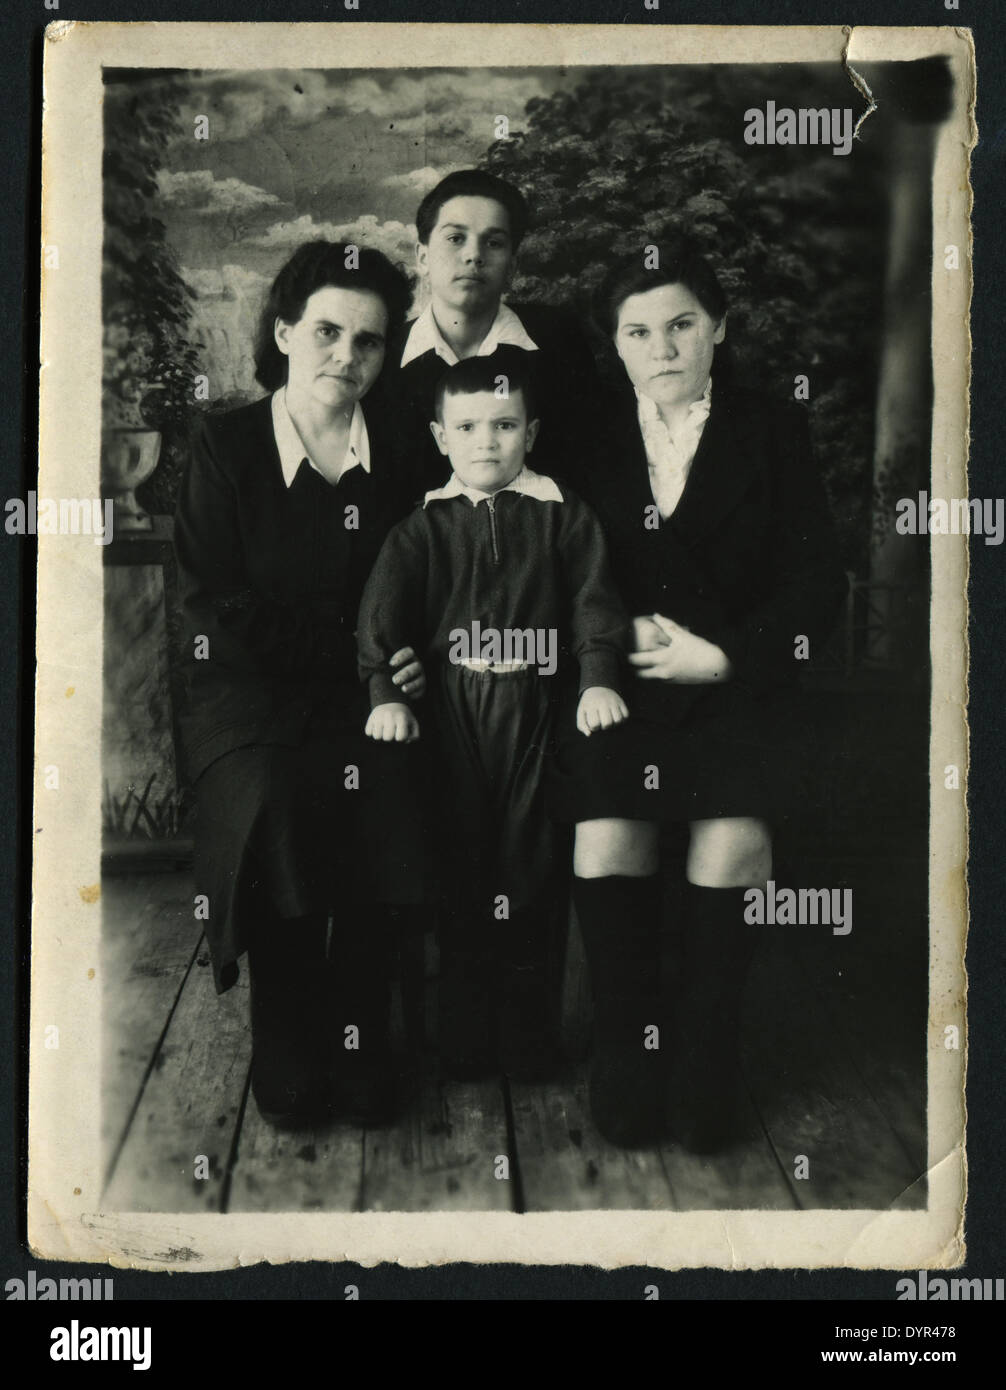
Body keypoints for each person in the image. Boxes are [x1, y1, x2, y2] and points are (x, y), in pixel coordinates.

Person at [550, 237, 849, 1150]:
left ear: (718, 327)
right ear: (618, 346)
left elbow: (815, 581)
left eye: (681, 324)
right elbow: (551, 569)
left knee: (734, 842)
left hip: (735, 686)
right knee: (606, 830)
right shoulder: (587, 437)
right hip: (626, 687)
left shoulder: (769, 428)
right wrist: (612, 639)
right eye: (638, 332)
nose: (663, 346)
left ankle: (705, 1051)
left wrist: (721, 660)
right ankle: (631, 1046)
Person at [174, 241, 430, 1130]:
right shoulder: (226, 446)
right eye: (325, 331)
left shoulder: (401, 454)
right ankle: (287, 1025)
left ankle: (361, 1024)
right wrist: (356, 654)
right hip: (248, 697)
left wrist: (411, 659)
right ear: (283, 332)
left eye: (368, 342)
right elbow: (218, 604)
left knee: (391, 782)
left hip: (367, 692)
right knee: (278, 797)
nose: (345, 357)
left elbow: (425, 583)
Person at [356, 354, 629, 1081]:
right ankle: (464, 1039)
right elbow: (380, 616)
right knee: (462, 869)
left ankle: (528, 1039)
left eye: (504, 425)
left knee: (532, 873)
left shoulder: (562, 516)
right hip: (452, 714)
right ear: (441, 437)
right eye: (469, 427)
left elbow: (595, 605)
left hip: (537, 711)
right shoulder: (424, 526)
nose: (487, 442)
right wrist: (385, 691)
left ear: (530, 432)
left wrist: (596, 678)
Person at [386, 168, 600, 490]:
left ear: (512, 266)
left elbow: (589, 467)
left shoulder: (558, 339)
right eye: (455, 238)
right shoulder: (388, 357)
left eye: (494, 242)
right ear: (423, 256)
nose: (474, 256)